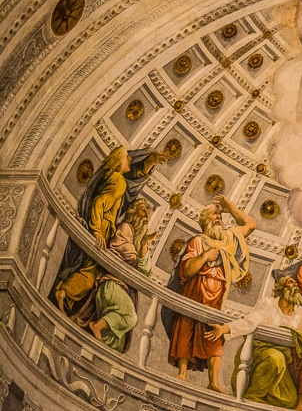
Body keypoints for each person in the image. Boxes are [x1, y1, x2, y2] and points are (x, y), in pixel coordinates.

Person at [51, 145, 167, 315]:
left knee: (87, 269)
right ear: (118, 161)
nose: (130, 160)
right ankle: (64, 293)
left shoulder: (114, 177)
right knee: (89, 273)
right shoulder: (119, 182)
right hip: (102, 229)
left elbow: (129, 181)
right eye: (127, 157)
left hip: (102, 227)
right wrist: (97, 231)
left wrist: (148, 163)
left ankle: (64, 292)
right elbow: (100, 203)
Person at [163, 195, 256, 393]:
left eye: (220, 215)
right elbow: (187, 270)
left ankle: (213, 381)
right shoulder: (198, 241)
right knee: (187, 327)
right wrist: (206, 255)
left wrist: (230, 207)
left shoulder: (229, 239)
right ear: (205, 220)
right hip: (195, 290)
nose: (219, 218)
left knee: (215, 334)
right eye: (214, 214)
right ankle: (182, 372)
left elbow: (250, 224)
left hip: (217, 295)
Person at [205, 277, 302, 410]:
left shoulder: (301, 312)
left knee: (289, 400)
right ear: (281, 288)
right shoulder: (268, 303)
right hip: (258, 353)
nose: (296, 286)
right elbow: (249, 322)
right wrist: (224, 328)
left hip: (281, 362)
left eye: (297, 284)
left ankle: (262, 401)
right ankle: (252, 397)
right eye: (291, 282)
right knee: (276, 357)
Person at [86, 199, 157, 352]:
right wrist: (138, 249)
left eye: (147, 213)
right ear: (133, 212)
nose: (146, 216)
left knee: (115, 340)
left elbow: (145, 272)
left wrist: (143, 244)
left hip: (121, 290)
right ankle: (96, 325)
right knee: (129, 316)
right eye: (143, 210)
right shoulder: (125, 228)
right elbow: (127, 254)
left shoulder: (136, 239)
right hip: (112, 285)